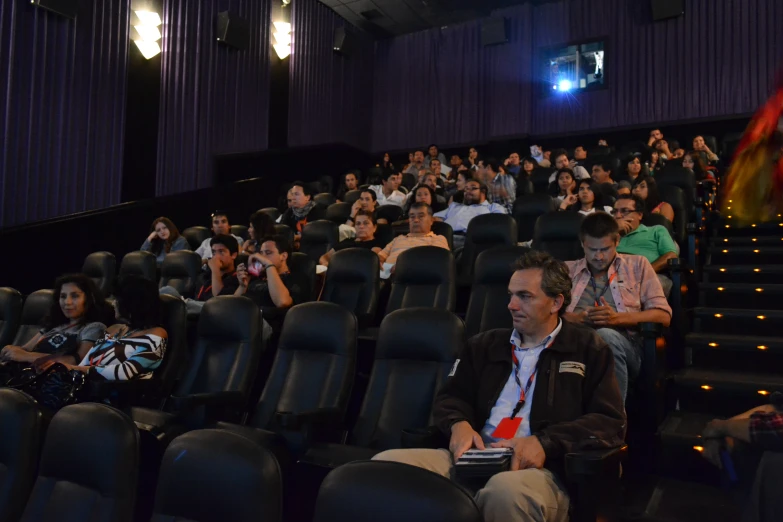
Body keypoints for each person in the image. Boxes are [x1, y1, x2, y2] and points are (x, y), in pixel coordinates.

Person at [373, 250, 625, 522]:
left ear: (555, 303)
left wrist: (545, 442)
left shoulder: (588, 348)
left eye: (524, 296)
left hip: (539, 469)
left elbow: (608, 421)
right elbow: (451, 397)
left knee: (504, 493)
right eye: (511, 295)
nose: (511, 305)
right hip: (472, 457)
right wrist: (458, 424)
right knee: (384, 468)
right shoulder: (485, 344)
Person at [563, 213, 671, 400]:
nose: (599, 256)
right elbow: (542, 313)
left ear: (617, 241)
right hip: (574, 342)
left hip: (624, 345)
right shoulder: (567, 270)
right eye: (592, 250)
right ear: (582, 244)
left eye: (605, 249)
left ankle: (612, 423)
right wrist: (575, 318)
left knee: (605, 336)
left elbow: (663, 315)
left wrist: (617, 319)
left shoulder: (637, 265)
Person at [36, 275, 168, 381]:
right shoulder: (115, 329)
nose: (114, 303)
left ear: (133, 303)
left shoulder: (157, 333)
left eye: (118, 299)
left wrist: (71, 368)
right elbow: (85, 363)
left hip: (117, 397)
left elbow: (124, 372)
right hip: (83, 387)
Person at [0, 274, 110, 365]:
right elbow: (25, 349)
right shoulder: (53, 325)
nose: (67, 302)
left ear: (89, 299)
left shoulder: (94, 327)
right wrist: (11, 349)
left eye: (75, 296)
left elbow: (78, 361)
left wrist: (27, 356)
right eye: (63, 296)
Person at [235, 235, 309, 338]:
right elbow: (233, 303)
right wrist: (242, 286)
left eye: (268, 253)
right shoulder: (257, 278)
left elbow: (282, 302)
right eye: (261, 253)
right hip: (242, 319)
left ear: (283, 256)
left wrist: (269, 265)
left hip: (267, 326)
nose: (263, 257)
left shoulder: (296, 277)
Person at [613, 195, 678, 295]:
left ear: (639, 214)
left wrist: (644, 273)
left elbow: (670, 256)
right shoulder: (609, 235)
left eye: (624, 211)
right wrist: (612, 231)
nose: (618, 216)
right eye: (614, 212)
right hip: (614, 276)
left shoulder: (656, 230)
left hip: (651, 275)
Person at [161, 234, 240, 315]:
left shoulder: (236, 277)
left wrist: (215, 270)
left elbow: (218, 300)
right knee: (167, 291)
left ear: (234, 255)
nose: (216, 257)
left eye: (221, 252)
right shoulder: (205, 275)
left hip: (214, 311)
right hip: (195, 309)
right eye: (213, 252)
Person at [434, 179, 507, 248]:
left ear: (483, 191)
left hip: (472, 241)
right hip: (444, 238)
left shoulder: (492, 207)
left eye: (473, 188)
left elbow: (499, 223)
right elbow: (435, 218)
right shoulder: (454, 206)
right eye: (466, 189)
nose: (468, 191)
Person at [377, 202, 449, 268]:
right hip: (386, 277)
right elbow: (381, 256)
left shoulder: (438, 239)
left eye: (421, 216)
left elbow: (439, 262)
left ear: (431, 220)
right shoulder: (398, 239)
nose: (416, 220)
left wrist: (403, 267)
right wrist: (378, 261)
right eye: (412, 217)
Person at [320, 211, 384, 266]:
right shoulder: (347, 241)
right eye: (358, 224)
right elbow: (324, 257)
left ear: (374, 228)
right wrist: (326, 266)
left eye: (366, 223)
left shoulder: (378, 245)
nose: (361, 226)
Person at [277, 182, 325, 247]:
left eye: (296, 194)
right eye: (292, 194)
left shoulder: (318, 210)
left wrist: (298, 238)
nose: (293, 198)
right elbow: (282, 229)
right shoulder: (289, 212)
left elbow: (317, 234)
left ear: (307, 197)